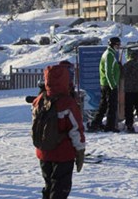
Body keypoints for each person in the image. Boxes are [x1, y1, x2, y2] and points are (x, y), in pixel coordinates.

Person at [33, 63, 86, 199]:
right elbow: (76, 129)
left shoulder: (40, 99)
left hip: (44, 152)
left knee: (49, 185)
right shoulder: (67, 102)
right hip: (63, 153)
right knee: (60, 189)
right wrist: (80, 150)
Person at [90, 37, 121, 132]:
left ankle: (95, 123)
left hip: (105, 83)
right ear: (112, 45)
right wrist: (113, 85)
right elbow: (108, 72)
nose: (119, 47)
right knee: (112, 106)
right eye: (117, 45)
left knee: (103, 105)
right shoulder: (109, 55)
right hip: (109, 84)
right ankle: (110, 126)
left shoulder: (109, 53)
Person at [122, 51, 138, 133]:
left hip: (128, 91)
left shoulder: (126, 65)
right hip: (137, 91)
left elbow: (121, 74)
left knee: (128, 109)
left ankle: (129, 126)